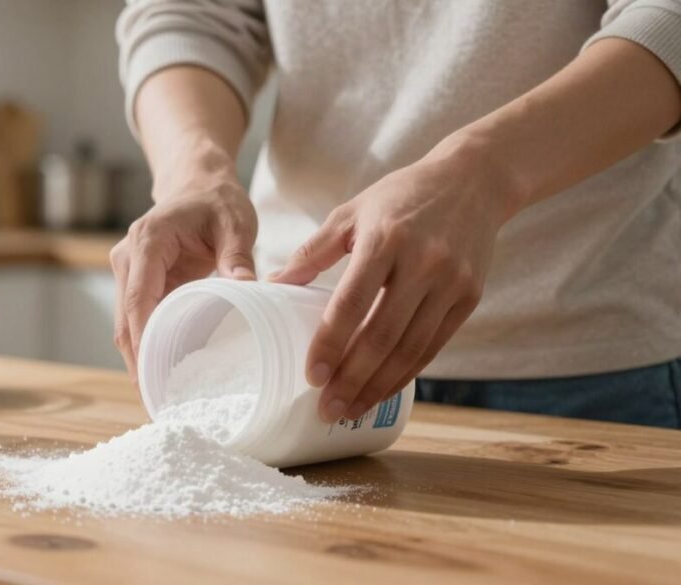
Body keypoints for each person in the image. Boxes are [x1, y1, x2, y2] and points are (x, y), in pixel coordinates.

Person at [112, 0, 681, 428]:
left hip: (582, 361)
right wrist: (195, 171)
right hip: (304, 350)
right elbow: (190, 15)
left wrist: (485, 175)